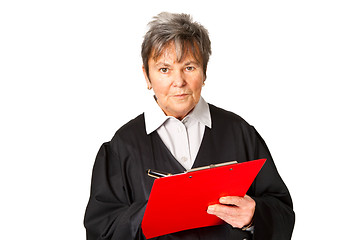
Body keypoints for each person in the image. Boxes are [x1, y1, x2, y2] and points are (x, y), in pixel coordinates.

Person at [84, 12, 295, 240]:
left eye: (189, 67)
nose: (179, 82)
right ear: (147, 76)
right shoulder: (121, 147)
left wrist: (254, 217)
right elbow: (100, 231)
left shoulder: (240, 133)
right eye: (164, 69)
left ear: (204, 72)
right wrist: (152, 214)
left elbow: (282, 211)